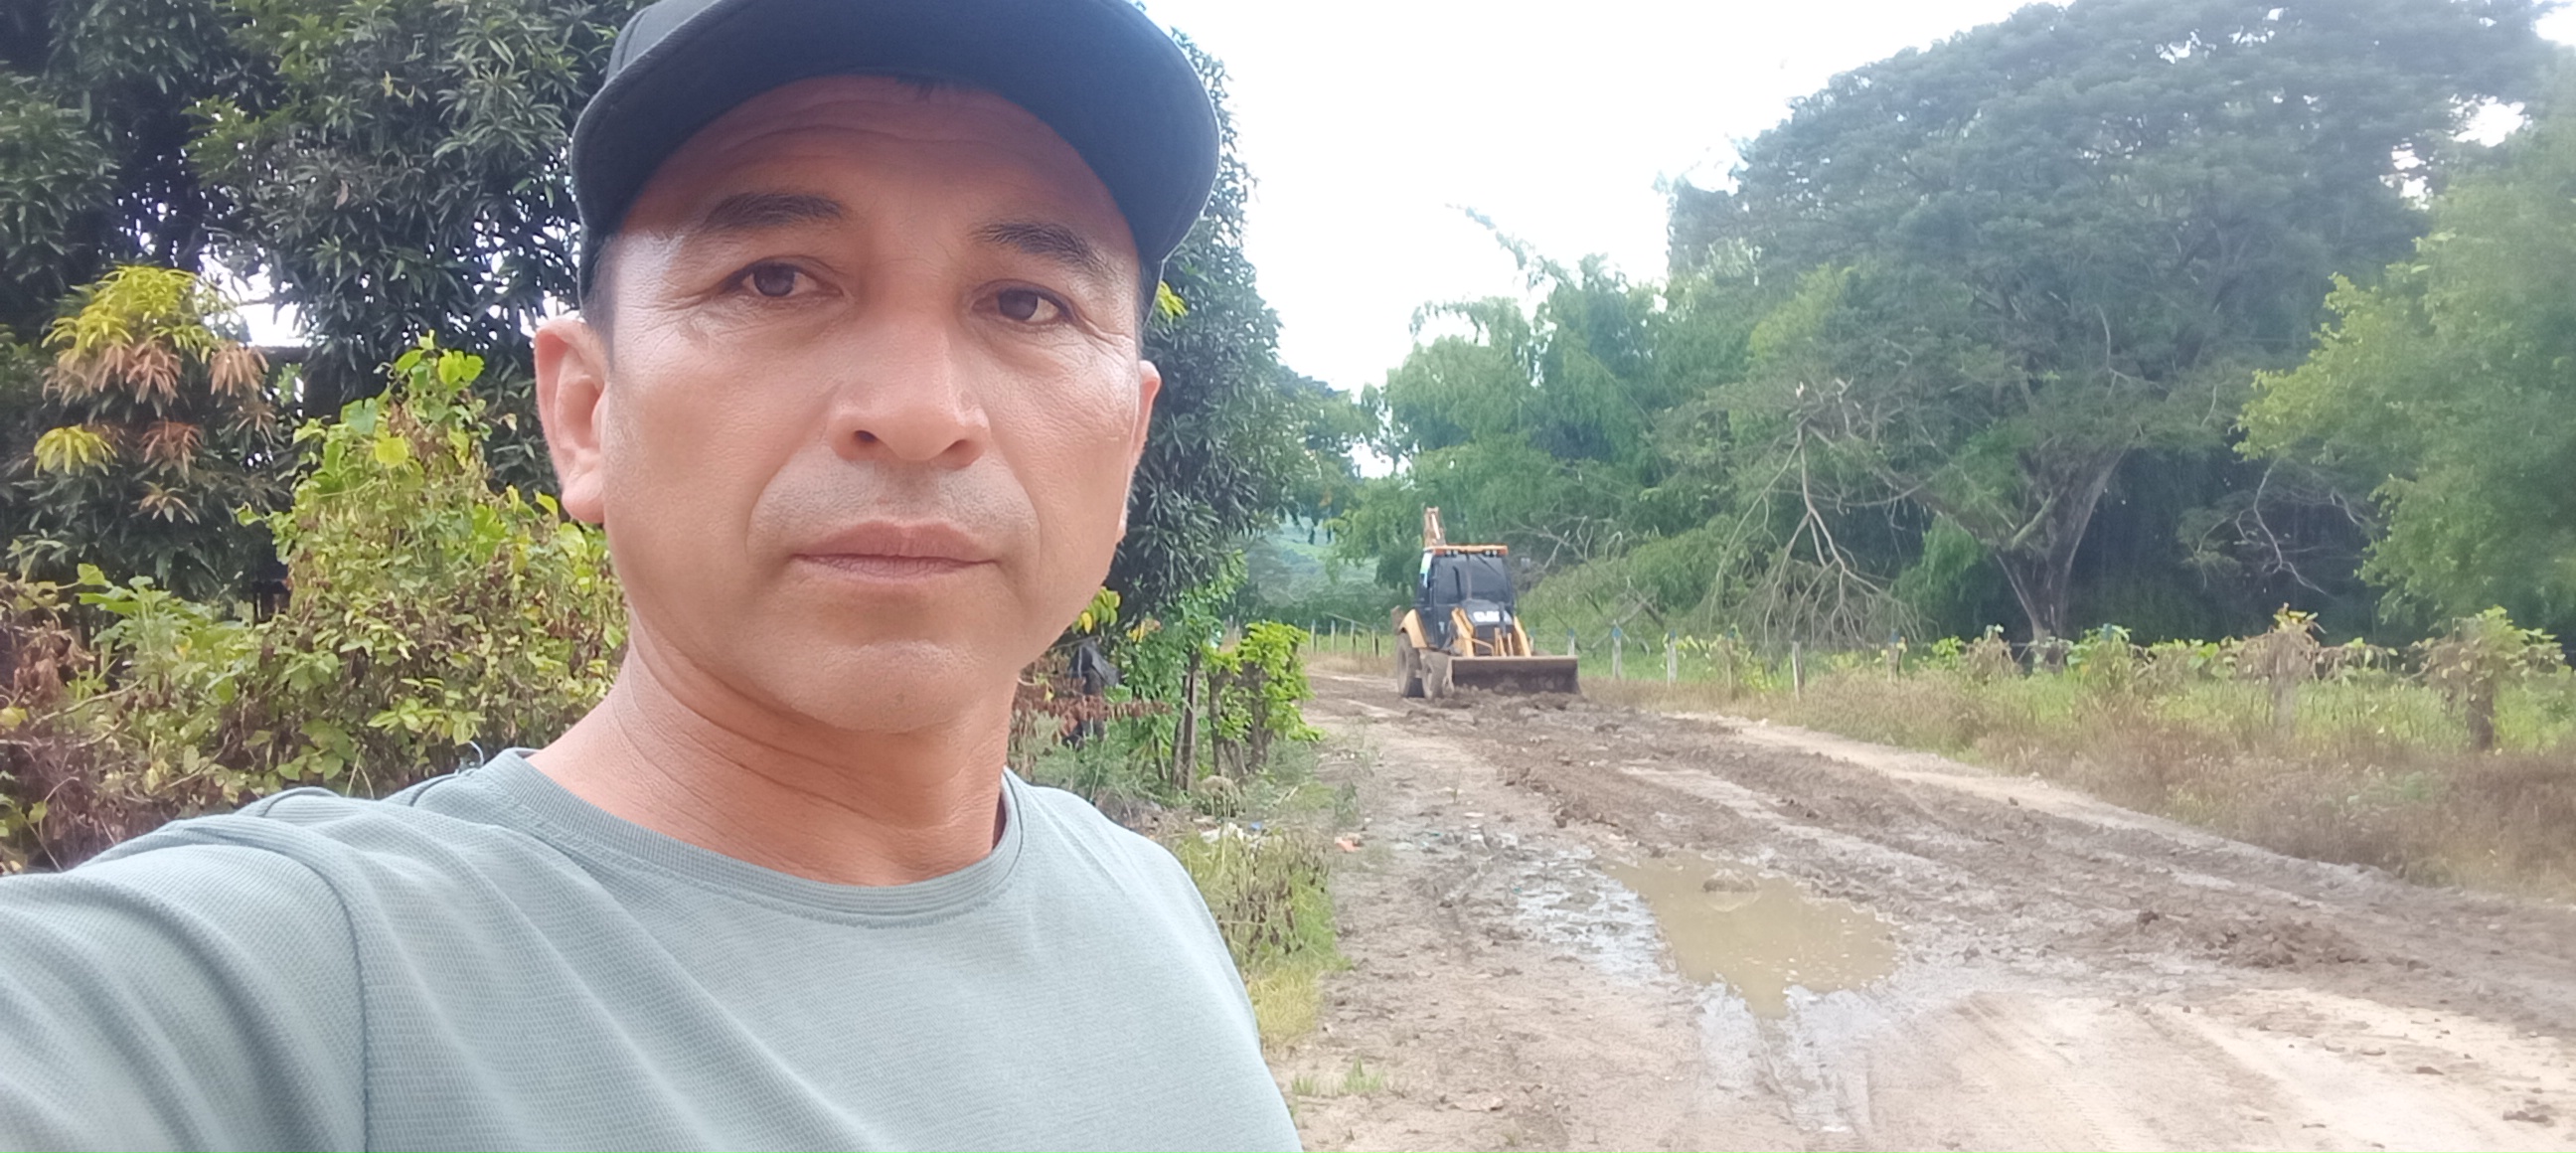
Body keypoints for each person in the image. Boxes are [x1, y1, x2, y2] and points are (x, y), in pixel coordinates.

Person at [0, 0, 1302, 1149]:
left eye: (1026, 302)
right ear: (584, 411)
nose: (918, 414)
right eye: (776, 278)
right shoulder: (298, 990)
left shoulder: (1155, 907)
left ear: (1128, 441)